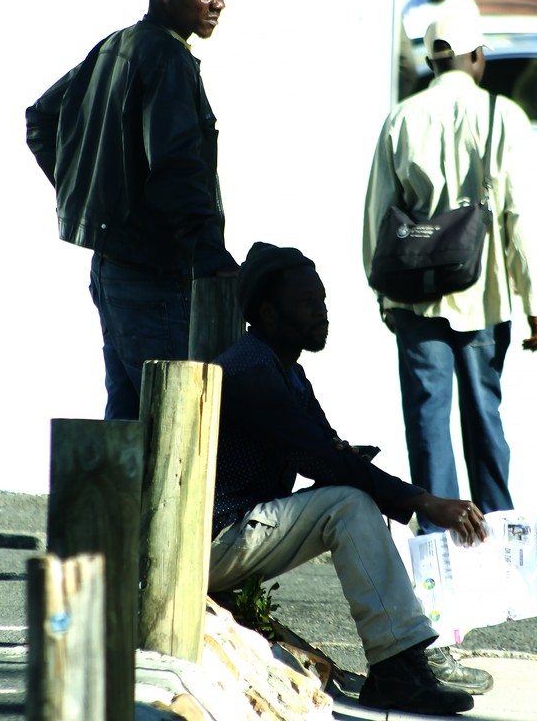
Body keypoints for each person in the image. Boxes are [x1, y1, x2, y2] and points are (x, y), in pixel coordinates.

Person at [208, 242, 494, 717]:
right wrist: (425, 502)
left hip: (245, 531)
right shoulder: (251, 371)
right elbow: (325, 459)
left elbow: (328, 448)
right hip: (216, 541)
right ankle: (399, 669)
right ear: (268, 313)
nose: (322, 312)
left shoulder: (288, 371)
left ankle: (401, 663)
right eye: (307, 302)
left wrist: (352, 465)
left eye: (322, 299)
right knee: (348, 503)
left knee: (352, 496)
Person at [26, 0, 239, 420]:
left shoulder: (116, 46)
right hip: (154, 273)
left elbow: (42, 120)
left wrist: (97, 203)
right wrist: (208, 253)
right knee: (171, 423)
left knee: (126, 420)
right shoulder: (165, 57)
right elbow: (177, 166)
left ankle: (113, 501)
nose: (219, 2)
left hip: (115, 264)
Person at [363, 0, 537, 533]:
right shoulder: (502, 116)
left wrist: (383, 295)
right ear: (476, 57)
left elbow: (378, 215)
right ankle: (499, 533)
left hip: (415, 295)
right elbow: (526, 215)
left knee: (427, 425)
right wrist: (534, 299)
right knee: (485, 420)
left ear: (431, 61)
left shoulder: (401, 117)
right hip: (485, 293)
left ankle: (440, 542)